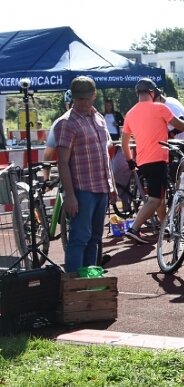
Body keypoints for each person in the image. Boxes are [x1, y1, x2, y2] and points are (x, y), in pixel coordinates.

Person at [53, 76, 115, 272]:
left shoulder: (99, 118)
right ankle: (74, 285)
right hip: (82, 190)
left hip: (101, 188)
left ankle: (89, 281)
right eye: (78, 98)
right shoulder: (66, 123)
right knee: (80, 238)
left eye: (85, 98)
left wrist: (111, 186)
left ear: (94, 96)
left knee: (95, 238)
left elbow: (105, 155)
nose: (81, 102)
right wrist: (70, 196)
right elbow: (62, 161)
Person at [121, 78, 184, 243]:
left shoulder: (130, 113)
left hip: (142, 162)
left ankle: (165, 226)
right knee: (155, 199)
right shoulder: (160, 108)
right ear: (152, 93)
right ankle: (134, 228)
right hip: (158, 160)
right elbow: (180, 126)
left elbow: (124, 142)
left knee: (158, 195)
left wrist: (130, 160)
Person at [42, 89, 73, 181]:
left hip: (68, 176)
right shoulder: (95, 118)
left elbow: (48, 155)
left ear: (67, 105)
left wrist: (46, 179)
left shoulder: (59, 123)